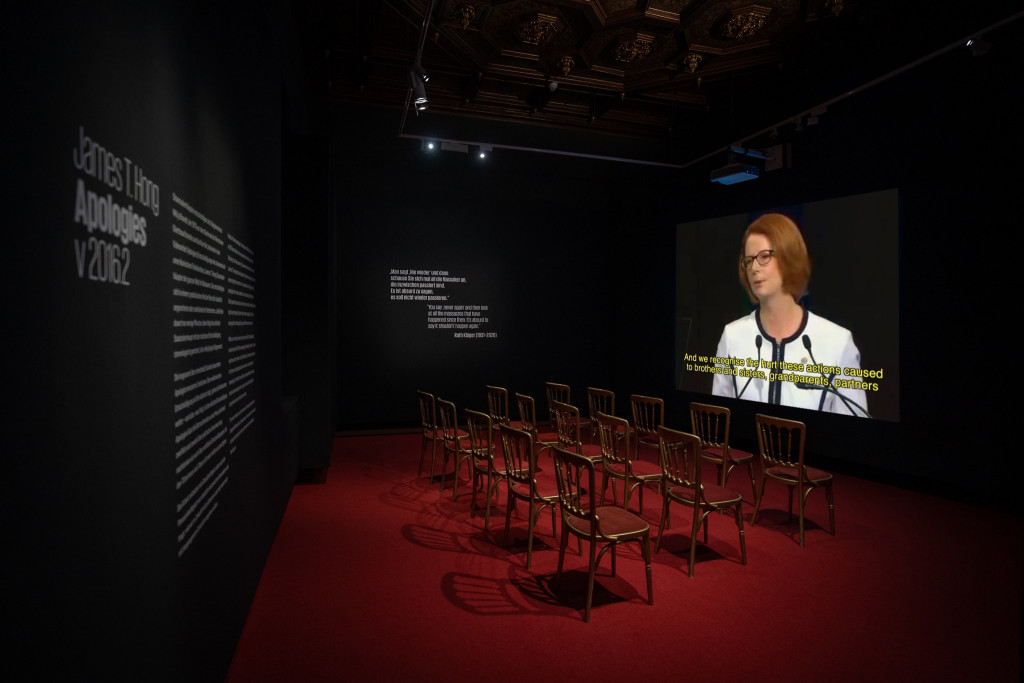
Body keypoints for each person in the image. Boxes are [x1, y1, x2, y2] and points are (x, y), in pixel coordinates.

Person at [710, 213, 869, 416]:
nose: (754, 268)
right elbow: (718, 419)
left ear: (788, 257)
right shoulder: (732, 336)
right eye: (748, 261)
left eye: (764, 257)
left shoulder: (838, 342)